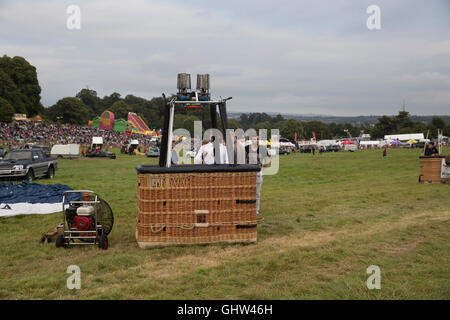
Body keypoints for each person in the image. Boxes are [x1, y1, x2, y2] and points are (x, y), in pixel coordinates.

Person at [245, 135, 268, 215]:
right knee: (248, 192)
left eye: (258, 139)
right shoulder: (247, 148)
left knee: (257, 193)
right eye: (255, 139)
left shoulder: (262, 149)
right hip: (248, 173)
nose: (256, 140)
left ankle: (256, 210)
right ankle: (248, 208)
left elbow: (267, 161)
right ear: (251, 140)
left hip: (258, 172)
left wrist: (264, 172)